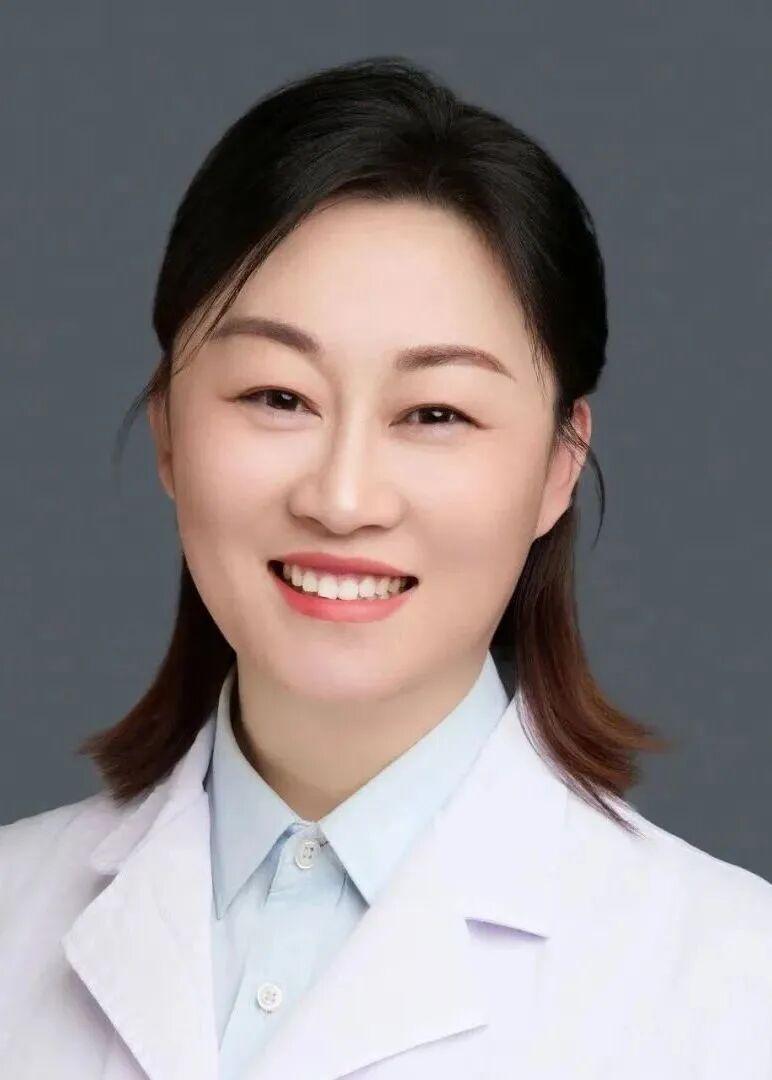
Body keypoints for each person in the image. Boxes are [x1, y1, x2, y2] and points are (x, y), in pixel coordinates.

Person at [1, 55, 770, 1080]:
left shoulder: (734, 987)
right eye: (278, 397)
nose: (343, 496)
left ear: (557, 465)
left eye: (435, 413)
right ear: (169, 433)